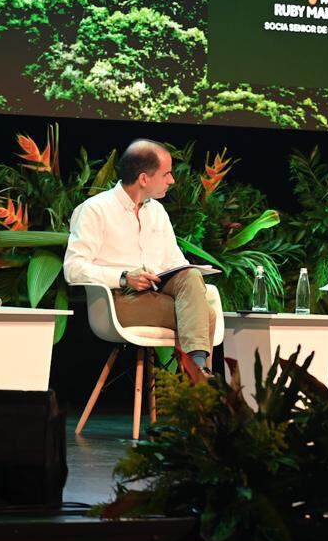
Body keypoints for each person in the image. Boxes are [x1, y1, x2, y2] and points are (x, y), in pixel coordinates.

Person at [64, 139, 215, 373]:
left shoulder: (157, 211)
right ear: (144, 179)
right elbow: (73, 268)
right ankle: (198, 386)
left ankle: (197, 375)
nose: (172, 181)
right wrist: (124, 277)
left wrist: (187, 271)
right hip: (118, 299)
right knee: (207, 317)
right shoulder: (95, 209)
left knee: (191, 276)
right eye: (166, 174)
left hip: (156, 295)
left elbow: (173, 261)